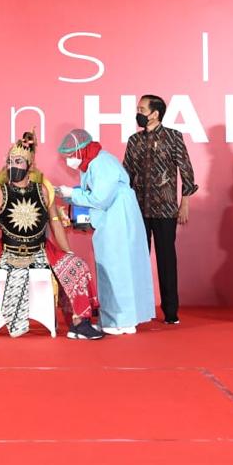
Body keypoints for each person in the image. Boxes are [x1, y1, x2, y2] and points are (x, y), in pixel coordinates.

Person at [0, 132, 102, 340]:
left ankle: (80, 324)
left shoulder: (43, 191)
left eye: (18, 161)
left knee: (78, 265)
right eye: (10, 161)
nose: (13, 166)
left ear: (29, 166)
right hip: (5, 252)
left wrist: (67, 251)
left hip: (40, 251)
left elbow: (55, 224)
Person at [57, 129, 155, 335]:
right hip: (111, 219)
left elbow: (99, 199)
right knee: (109, 268)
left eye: (70, 155)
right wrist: (68, 195)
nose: (68, 160)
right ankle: (112, 319)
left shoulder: (102, 163)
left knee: (118, 268)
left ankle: (122, 321)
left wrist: (72, 193)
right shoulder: (89, 164)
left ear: (81, 150)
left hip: (118, 218)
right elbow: (90, 193)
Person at [122, 94, 198, 324]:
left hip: (165, 209)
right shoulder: (134, 140)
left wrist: (184, 203)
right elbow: (126, 174)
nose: (138, 113)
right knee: (138, 260)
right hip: (138, 209)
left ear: (155, 113)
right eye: (138, 109)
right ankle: (137, 310)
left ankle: (171, 312)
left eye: (142, 109)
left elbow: (186, 171)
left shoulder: (173, 137)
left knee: (166, 261)